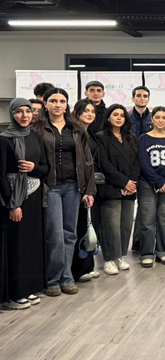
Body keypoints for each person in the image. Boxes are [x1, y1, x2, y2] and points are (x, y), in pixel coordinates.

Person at [34, 88, 95, 296]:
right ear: (45, 104)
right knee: (55, 234)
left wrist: (89, 189)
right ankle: (52, 280)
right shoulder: (37, 128)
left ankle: (67, 277)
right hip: (49, 187)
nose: (58, 105)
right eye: (53, 101)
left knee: (70, 233)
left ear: (67, 104)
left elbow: (87, 161)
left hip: (73, 187)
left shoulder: (76, 129)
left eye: (62, 101)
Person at [0, 99, 49, 310]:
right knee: (16, 245)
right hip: (13, 199)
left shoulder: (35, 137)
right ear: (12, 114)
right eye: (19, 112)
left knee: (31, 244)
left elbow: (45, 168)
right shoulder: (4, 139)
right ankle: (14, 294)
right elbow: (1, 175)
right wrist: (13, 204)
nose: (24, 116)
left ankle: (29, 288)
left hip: (35, 196)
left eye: (27, 111)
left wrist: (33, 168)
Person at [95, 105, 140, 276]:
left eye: (122, 115)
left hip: (130, 189)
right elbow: (104, 164)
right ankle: (109, 259)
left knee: (126, 225)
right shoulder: (101, 137)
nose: (119, 118)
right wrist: (124, 182)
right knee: (111, 226)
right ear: (108, 117)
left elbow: (137, 162)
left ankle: (120, 256)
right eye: (115, 114)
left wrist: (132, 183)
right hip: (111, 187)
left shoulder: (130, 138)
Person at [137, 106, 165, 268]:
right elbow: (144, 162)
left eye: (164, 118)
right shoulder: (144, 138)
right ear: (152, 119)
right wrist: (158, 181)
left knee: (164, 218)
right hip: (148, 184)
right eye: (158, 117)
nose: (161, 120)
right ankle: (146, 253)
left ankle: (162, 251)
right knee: (147, 219)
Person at [70, 99, 101, 282]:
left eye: (92, 111)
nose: (90, 114)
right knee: (79, 227)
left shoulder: (89, 133)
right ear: (77, 113)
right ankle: (77, 270)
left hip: (90, 186)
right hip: (78, 187)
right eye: (86, 111)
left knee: (87, 226)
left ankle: (87, 267)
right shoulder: (74, 132)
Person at [128, 85, 153, 253]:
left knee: (145, 207)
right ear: (133, 98)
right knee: (128, 206)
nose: (142, 98)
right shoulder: (126, 118)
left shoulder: (154, 118)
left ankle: (138, 240)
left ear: (148, 99)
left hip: (148, 167)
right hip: (129, 166)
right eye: (139, 95)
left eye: (145, 96)